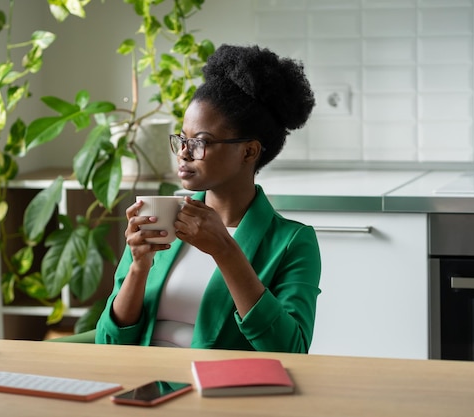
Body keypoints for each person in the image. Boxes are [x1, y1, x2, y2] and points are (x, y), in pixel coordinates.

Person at [95, 44, 321, 353]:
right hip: (141, 388)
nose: (184, 153)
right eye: (182, 139)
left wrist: (225, 251)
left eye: (201, 142)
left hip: (217, 395)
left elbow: (290, 350)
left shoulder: (292, 242)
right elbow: (108, 343)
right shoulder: (162, 218)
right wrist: (138, 268)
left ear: (249, 151)